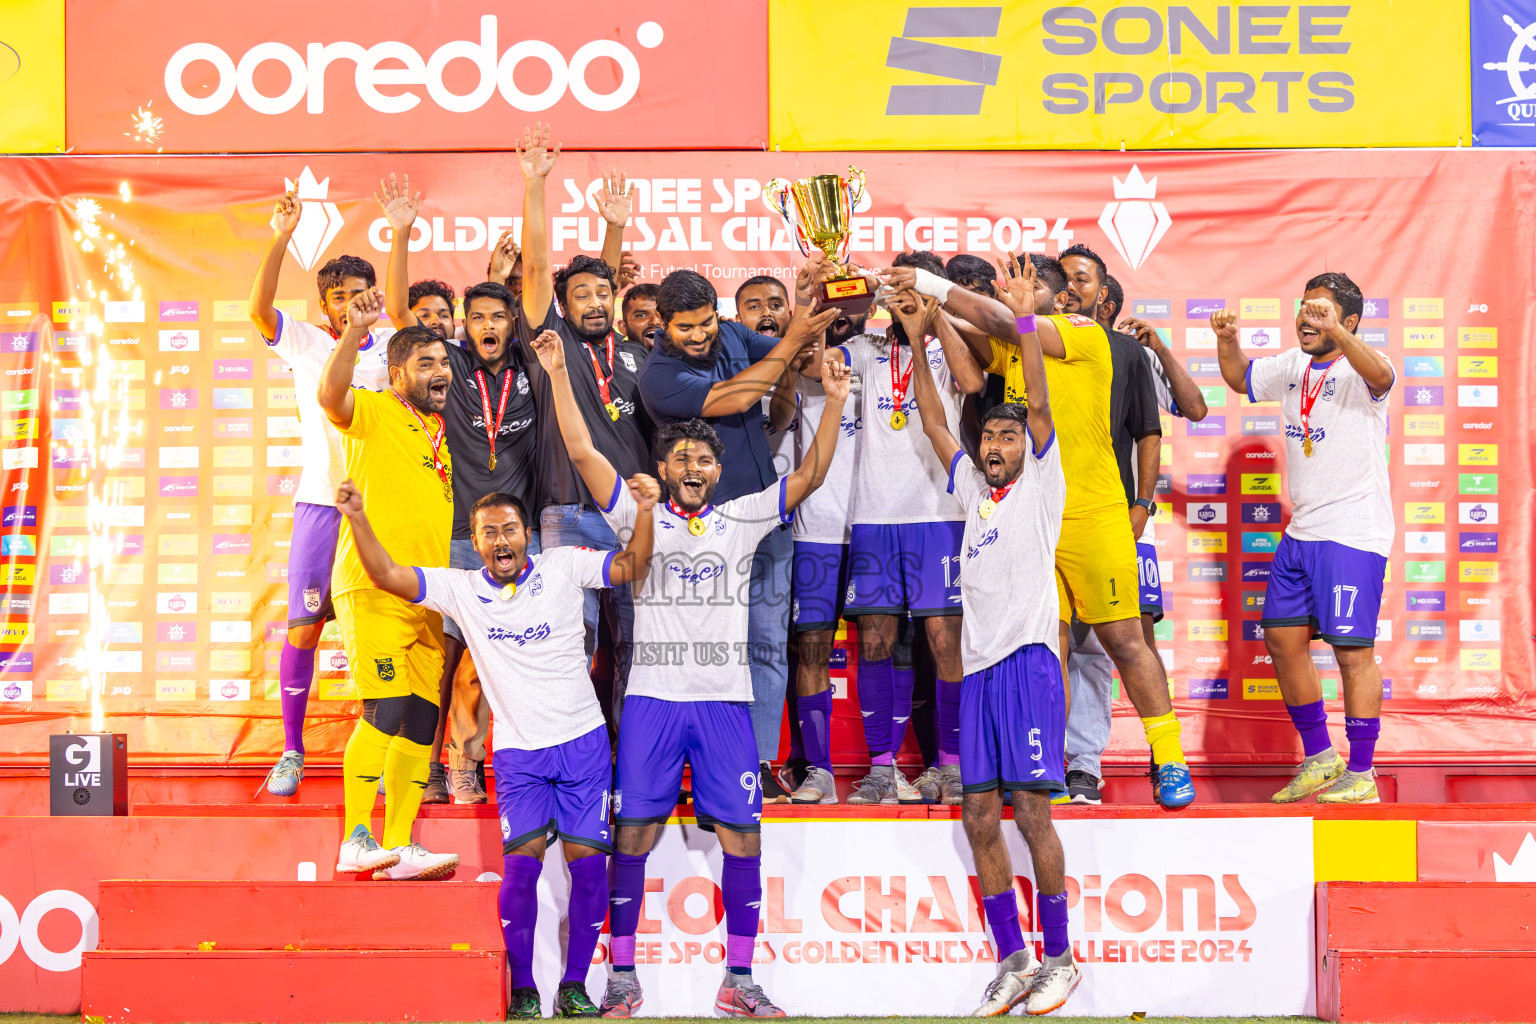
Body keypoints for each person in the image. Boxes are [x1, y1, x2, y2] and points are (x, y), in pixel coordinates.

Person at [531, 325, 852, 1019]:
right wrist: (558, 374)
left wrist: (834, 402)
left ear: (716, 469)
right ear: (665, 467)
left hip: (725, 704)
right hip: (652, 700)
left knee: (744, 837)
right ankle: (621, 977)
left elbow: (811, 476)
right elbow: (583, 447)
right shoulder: (635, 513)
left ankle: (739, 978)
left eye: (704, 459)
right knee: (634, 836)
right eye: (683, 458)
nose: (695, 468)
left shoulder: (740, 518)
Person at [335, 475, 657, 1018]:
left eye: (510, 529)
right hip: (519, 756)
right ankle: (525, 990)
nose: (501, 540)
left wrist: (645, 510)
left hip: (581, 744)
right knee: (523, 872)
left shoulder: (561, 567)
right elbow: (387, 574)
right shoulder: (461, 589)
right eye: (489, 533)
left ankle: (575, 985)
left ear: (528, 535)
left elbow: (630, 567)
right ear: (477, 542)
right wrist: (358, 518)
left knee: (585, 869)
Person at [946, 249, 1196, 808]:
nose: (1011, 293)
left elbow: (1000, 320)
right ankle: (1047, 765)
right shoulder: (1015, 342)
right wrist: (925, 309)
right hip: (1032, 524)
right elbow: (972, 353)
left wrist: (933, 287)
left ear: (1061, 299)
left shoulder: (1083, 331)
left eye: (1025, 286)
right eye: (1007, 285)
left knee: (1126, 639)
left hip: (1093, 513)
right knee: (1047, 651)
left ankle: (1169, 756)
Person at [902, 257, 1079, 1016]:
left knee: (1032, 813)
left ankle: (1062, 958)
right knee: (979, 816)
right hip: (977, 677)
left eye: (1008, 434)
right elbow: (937, 422)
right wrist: (917, 340)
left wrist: (1024, 320)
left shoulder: (1042, 482)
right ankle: (1014, 959)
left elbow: (1037, 399)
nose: (998, 444)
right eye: (993, 438)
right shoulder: (973, 488)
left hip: (1029, 665)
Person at [637, 269, 838, 804]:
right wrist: (792, 342)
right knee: (707, 652)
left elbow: (799, 360)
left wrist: (813, 324)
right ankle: (704, 769)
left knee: (768, 646)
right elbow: (733, 396)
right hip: (700, 533)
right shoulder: (656, 375)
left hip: (764, 520)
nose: (701, 336)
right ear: (662, 323)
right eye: (687, 328)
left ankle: (763, 762)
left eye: (706, 323)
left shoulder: (730, 333)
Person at [378, 174, 540, 804]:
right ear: (463, 327)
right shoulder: (454, 366)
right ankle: (436, 765)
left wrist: (529, 199)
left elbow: (537, 299)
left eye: (498, 316)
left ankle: (471, 765)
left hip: (517, 535)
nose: (486, 325)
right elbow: (399, 315)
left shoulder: (532, 362)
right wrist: (400, 232)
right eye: (475, 317)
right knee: (444, 661)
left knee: (485, 663)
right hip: (456, 535)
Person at [1214, 272, 1393, 804]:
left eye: (1320, 312)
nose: (1306, 319)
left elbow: (1383, 374)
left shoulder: (1363, 368)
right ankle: (1320, 758)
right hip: (1301, 531)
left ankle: (1361, 771)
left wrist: (1342, 335)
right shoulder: (1293, 366)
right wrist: (1227, 342)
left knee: (1351, 653)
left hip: (1352, 531)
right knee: (1281, 640)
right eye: (1304, 308)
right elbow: (1240, 378)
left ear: (1347, 321)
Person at [249, 186, 393, 797]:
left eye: (359, 294)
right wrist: (281, 236)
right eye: (337, 296)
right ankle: (291, 751)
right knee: (305, 629)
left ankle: (387, 755)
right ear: (325, 304)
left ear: (374, 297)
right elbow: (258, 310)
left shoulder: (395, 346)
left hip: (382, 506)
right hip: (319, 505)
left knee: (386, 629)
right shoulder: (304, 341)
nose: (348, 304)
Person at [826, 256, 986, 806]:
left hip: (940, 516)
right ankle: (880, 769)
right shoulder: (867, 349)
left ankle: (952, 766)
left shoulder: (948, 343)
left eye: (910, 285)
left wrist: (929, 322)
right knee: (874, 641)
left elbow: (970, 381)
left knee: (946, 643)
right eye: (895, 286)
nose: (902, 296)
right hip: (873, 517)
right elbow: (808, 364)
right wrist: (842, 291)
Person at [316, 287, 459, 879]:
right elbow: (330, 393)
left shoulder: (448, 430)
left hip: (432, 593)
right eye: (426, 364)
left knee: (423, 721)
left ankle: (398, 846)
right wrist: (354, 331)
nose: (440, 372)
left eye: (445, 363)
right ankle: (355, 836)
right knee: (386, 707)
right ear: (397, 371)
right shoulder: (371, 409)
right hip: (373, 585)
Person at [516, 123, 651, 723]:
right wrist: (536, 186)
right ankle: (578, 758)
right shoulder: (554, 346)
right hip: (568, 517)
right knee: (572, 646)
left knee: (634, 651)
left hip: (629, 515)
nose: (595, 301)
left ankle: (628, 768)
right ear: (562, 306)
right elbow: (539, 270)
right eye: (582, 295)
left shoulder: (633, 353)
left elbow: (601, 277)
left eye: (605, 292)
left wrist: (615, 229)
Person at [1057, 282, 1165, 806]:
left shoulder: (1123, 351)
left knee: (1110, 644)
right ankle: (1046, 762)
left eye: (1082, 280)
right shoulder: (1027, 340)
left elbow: (1154, 427)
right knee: (1049, 646)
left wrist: (1142, 503)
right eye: (1065, 279)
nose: (1071, 290)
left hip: (1110, 514)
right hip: (1040, 516)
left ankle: (1091, 763)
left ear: (1102, 294)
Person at [620, 283, 661, 350]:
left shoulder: (683, 358)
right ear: (623, 327)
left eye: (662, 314)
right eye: (641, 315)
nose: (655, 321)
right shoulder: (610, 358)